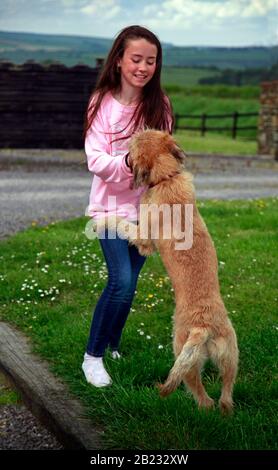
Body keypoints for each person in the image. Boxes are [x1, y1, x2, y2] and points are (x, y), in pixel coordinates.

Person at [82, 25, 174, 387]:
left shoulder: (159, 104)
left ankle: (113, 344)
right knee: (119, 281)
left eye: (150, 61)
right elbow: (96, 160)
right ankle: (93, 358)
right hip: (108, 210)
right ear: (119, 60)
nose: (143, 67)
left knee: (131, 282)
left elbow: (164, 154)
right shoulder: (101, 102)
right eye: (136, 59)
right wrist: (130, 163)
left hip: (146, 209)